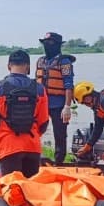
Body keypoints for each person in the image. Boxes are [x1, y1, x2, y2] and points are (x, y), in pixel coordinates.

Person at [0, 49, 49, 178]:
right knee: (30, 191)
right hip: (32, 146)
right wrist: (33, 134)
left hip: (8, 146)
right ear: (28, 66)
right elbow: (44, 123)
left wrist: (1, 134)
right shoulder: (39, 89)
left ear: (8, 66)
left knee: (11, 191)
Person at [34, 32, 75, 164]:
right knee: (35, 131)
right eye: (45, 43)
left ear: (57, 45)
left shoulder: (64, 62)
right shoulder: (40, 61)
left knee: (60, 135)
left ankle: (59, 161)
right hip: (41, 104)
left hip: (59, 105)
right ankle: (35, 158)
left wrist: (67, 106)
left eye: (50, 43)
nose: (47, 46)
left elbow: (69, 85)